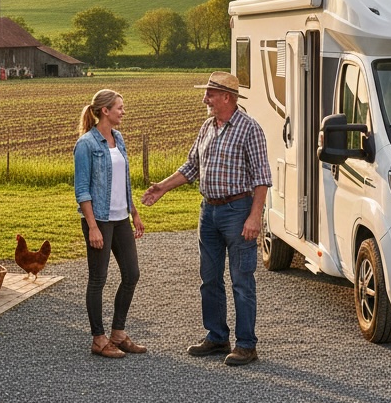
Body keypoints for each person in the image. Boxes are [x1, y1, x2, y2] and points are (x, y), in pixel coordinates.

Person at [142, 72, 271, 366]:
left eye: (210, 94)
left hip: (238, 211)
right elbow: (191, 167)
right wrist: (162, 187)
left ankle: (246, 345)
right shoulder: (207, 127)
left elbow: (263, 178)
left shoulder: (250, 129)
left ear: (227, 97)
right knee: (209, 278)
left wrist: (255, 217)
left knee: (241, 280)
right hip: (209, 211)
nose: (205, 99)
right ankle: (216, 336)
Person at [74, 88, 147, 358]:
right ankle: (98, 339)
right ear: (105, 111)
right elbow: (82, 189)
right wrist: (92, 226)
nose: (123, 111)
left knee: (132, 274)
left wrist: (134, 212)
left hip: (120, 219)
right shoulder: (87, 144)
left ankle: (118, 333)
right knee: (98, 279)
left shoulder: (119, 138)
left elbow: (124, 182)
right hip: (100, 221)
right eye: (119, 107)